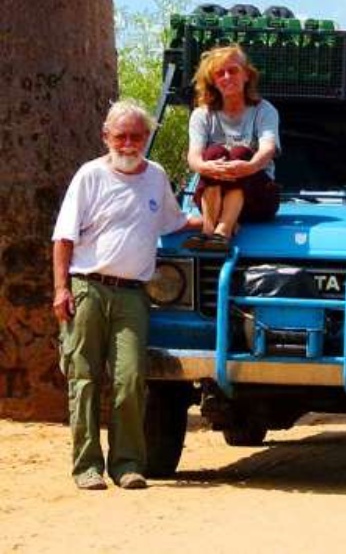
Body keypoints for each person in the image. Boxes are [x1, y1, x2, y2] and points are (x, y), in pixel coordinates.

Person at [52, 100, 199, 491]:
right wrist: (61, 289)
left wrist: (223, 222)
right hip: (88, 288)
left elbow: (177, 222)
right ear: (106, 137)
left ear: (147, 137)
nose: (129, 143)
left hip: (133, 294)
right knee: (83, 379)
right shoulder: (89, 176)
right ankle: (86, 467)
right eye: (122, 136)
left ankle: (128, 464)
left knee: (131, 378)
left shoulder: (156, 177)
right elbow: (63, 237)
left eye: (137, 136)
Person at [184, 45, 280, 251]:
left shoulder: (264, 110)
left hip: (258, 200)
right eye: (220, 73)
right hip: (213, 204)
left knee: (241, 154)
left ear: (246, 75)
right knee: (213, 154)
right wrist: (206, 167)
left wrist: (250, 166)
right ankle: (209, 231)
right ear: (213, 82)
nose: (227, 77)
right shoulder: (202, 115)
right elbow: (194, 157)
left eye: (233, 70)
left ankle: (223, 232)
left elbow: (268, 149)